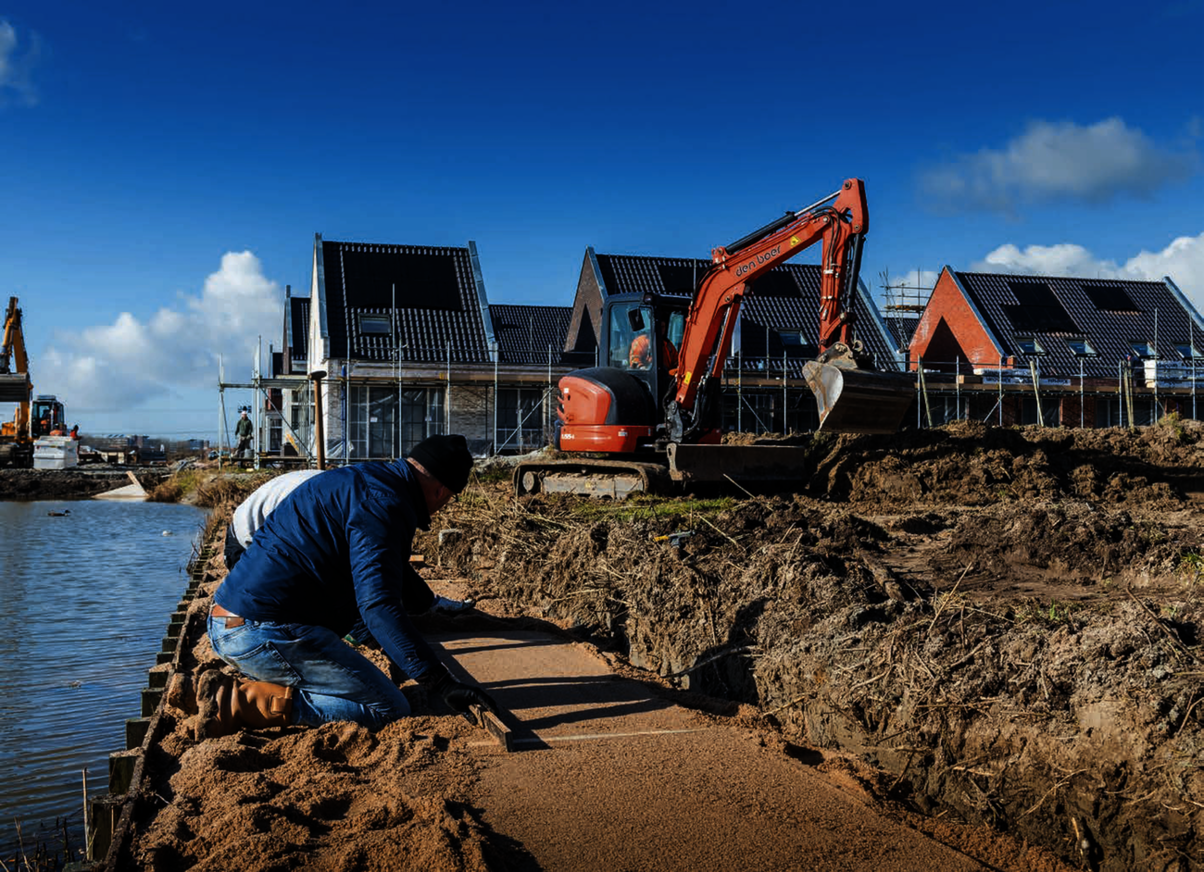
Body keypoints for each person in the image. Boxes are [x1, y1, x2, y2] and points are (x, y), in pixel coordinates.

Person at [195, 434, 497, 738]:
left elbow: (367, 584)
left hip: (230, 620)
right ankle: (238, 702)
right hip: (260, 632)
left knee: (366, 685)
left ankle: (193, 696)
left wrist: (401, 648)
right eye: (449, 499)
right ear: (442, 490)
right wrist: (441, 683)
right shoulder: (386, 505)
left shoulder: (362, 481)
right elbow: (377, 605)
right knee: (389, 707)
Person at [223, 468, 473, 615]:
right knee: (309, 605)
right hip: (247, 545)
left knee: (375, 558)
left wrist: (425, 602)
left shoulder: (356, 493)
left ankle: (429, 603)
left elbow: (384, 557)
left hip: (284, 530)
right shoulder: (329, 505)